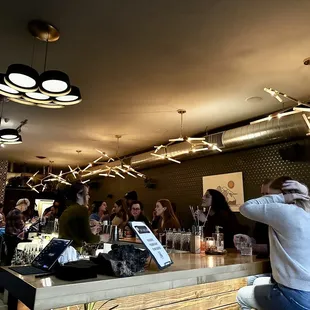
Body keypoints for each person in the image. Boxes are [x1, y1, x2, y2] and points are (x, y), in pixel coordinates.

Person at [237, 177, 310, 309]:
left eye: (269, 195)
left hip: (295, 294)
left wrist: (282, 198)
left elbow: (245, 207)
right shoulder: (306, 212)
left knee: (242, 295)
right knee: (255, 281)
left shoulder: (283, 211)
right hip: (305, 290)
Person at [59, 182, 99, 251]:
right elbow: (89, 238)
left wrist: (90, 229)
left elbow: (74, 232)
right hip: (73, 252)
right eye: (87, 194)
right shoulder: (82, 209)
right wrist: (102, 237)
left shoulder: (68, 209)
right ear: (78, 195)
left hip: (62, 250)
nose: (88, 197)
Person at [4, 198, 30, 265]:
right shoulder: (17, 213)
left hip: (8, 236)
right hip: (14, 237)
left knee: (9, 255)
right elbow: (21, 226)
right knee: (13, 256)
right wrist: (26, 225)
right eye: (26, 207)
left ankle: (6, 270)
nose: (25, 209)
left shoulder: (11, 211)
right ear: (23, 205)